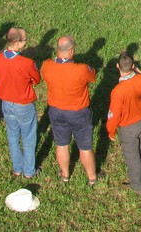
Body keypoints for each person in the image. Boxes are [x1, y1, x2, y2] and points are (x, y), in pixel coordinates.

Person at [41, 36, 98, 184]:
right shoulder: (82, 69)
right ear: (71, 50)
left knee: (61, 144)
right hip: (79, 113)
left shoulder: (47, 65)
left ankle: (65, 174)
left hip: (56, 111)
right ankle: (92, 177)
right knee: (85, 147)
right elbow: (92, 76)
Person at [0, 27, 41, 178]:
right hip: (24, 104)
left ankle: (17, 168)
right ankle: (29, 171)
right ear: (17, 43)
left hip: (6, 102)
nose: (26, 42)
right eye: (25, 40)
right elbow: (36, 80)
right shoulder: (26, 63)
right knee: (28, 137)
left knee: (12, 136)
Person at [106, 52, 141, 194]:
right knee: (140, 149)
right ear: (133, 66)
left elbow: (114, 114)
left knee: (132, 156)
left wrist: (111, 130)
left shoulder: (118, 91)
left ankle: (137, 186)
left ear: (117, 66)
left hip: (128, 127)